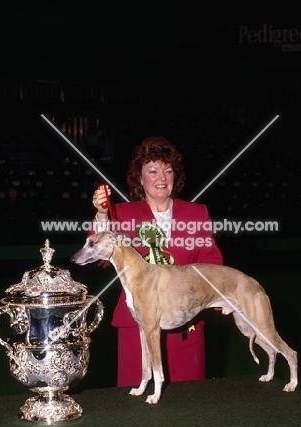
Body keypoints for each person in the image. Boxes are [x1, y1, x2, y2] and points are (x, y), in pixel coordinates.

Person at [91, 136, 223, 387]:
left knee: (189, 407)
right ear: (140, 179)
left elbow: (210, 259)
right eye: (152, 171)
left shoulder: (197, 213)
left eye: (168, 171)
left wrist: (218, 293)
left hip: (186, 326)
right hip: (136, 327)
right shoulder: (122, 214)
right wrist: (101, 213)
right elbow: (98, 248)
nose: (161, 178)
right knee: (136, 411)